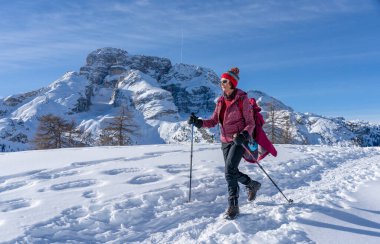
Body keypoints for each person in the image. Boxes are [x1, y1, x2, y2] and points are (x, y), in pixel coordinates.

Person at [188, 67, 262, 219]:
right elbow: (214, 121)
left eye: (224, 81)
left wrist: (243, 134)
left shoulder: (242, 99)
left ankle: (233, 205)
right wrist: (199, 123)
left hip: (239, 140)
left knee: (229, 171)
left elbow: (251, 122)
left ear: (232, 83)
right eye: (221, 81)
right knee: (232, 171)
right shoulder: (220, 101)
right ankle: (252, 184)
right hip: (225, 141)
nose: (221, 83)